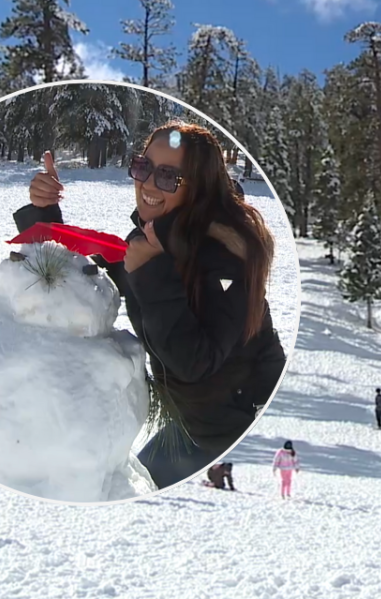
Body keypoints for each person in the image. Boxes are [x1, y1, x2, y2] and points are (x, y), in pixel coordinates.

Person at [16, 121, 287, 490]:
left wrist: (150, 270)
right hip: (191, 422)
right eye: (143, 167)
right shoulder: (159, 235)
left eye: (168, 176)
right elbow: (98, 266)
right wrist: (44, 213)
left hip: (231, 432)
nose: (147, 184)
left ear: (199, 188)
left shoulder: (228, 259)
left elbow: (194, 362)